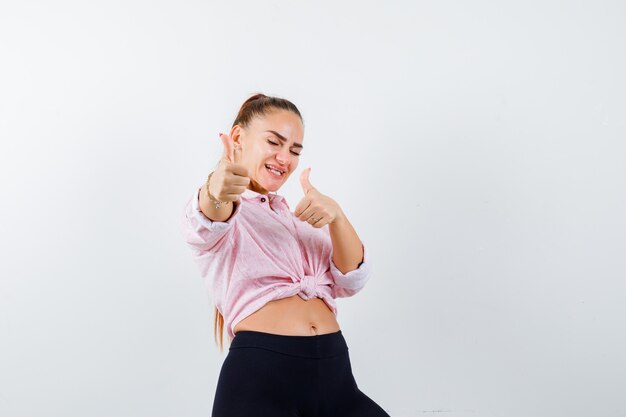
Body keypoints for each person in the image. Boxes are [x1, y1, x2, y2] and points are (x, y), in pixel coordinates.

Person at [181, 93, 390, 416]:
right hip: (262, 380)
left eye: (294, 150)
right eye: (274, 142)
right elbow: (208, 218)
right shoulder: (230, 216)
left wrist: (337, 215)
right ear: (238, 137)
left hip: (335, 378)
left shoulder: (301, 222)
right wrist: (216, 188)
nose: (284, 158)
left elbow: (352, 279)